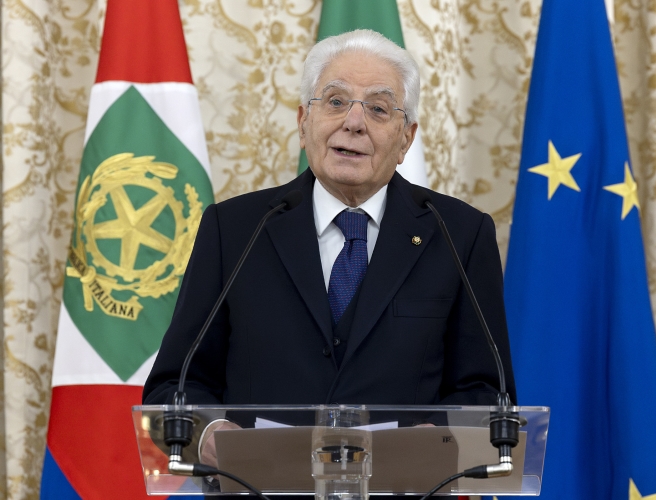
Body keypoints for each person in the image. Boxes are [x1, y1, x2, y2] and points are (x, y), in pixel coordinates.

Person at [143, 29, 515, 427]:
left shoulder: (459, 235)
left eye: (378, 109)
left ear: (406, 139)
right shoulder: (234, 229)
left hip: (402, 470)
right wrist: (212, 435)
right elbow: (176, 385)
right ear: (304, 122)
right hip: (260, 469)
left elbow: (486, 392)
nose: (354, 122)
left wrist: (436, 438)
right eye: (336, 101)